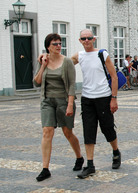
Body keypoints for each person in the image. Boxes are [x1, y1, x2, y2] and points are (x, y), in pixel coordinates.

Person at [71, 29, 121, 179]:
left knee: (107, 128)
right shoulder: (79, 56)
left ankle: (116, 151)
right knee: (89, 130)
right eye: (83, 38)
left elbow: (114, 76)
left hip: (103, 97)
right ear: (80, 40)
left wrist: (114, 98)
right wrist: (46, 57)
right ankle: (90, 165)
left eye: (89, 38)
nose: (86, 41)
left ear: (94, 39)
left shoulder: (102, 54)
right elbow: (62, 63)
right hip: (87, 98)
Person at [33, 33, 84, 182]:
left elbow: (71, 85)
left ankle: (79, 157)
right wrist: (43, 65)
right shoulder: (43, 60)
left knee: (67, 132)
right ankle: (45, 168)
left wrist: (69, 105)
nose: (58, 46)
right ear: (48, 46)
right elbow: (36, 82)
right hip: (47, 101)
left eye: (60, 43)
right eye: (55, 44)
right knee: (47, 132)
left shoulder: (67, 62)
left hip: (63, 101)